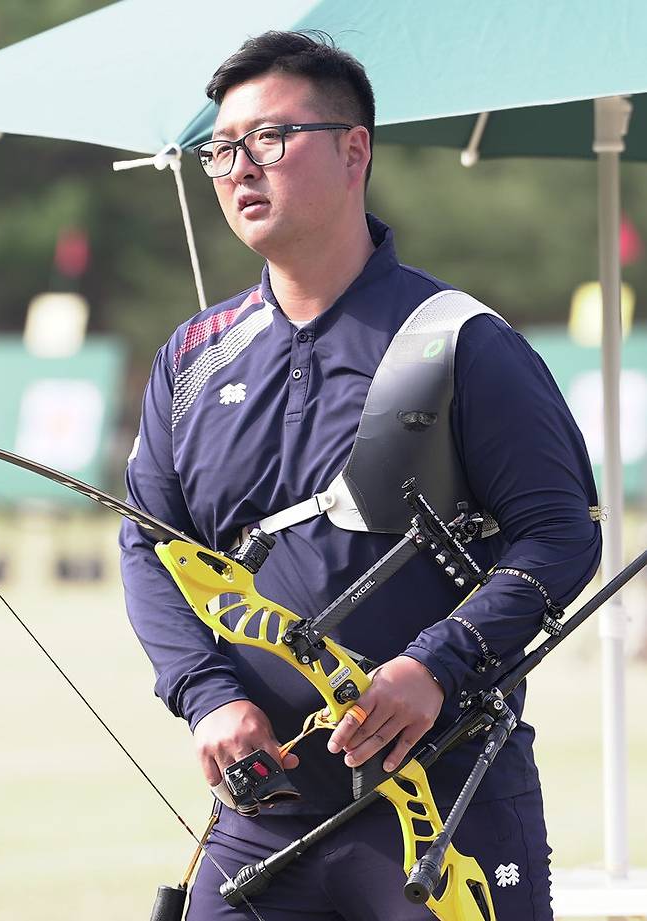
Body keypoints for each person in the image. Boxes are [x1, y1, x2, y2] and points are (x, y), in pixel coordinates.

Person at [120, 31, 601, 921]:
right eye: (221, 148)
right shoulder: (189, 357)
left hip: (447, 802)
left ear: (355, 149)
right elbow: (148, 542)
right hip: (263, 812)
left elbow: (562, 533)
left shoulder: (461, 340)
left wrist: (436, 663)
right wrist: (207, 697)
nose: (238, 167)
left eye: (270, 139)